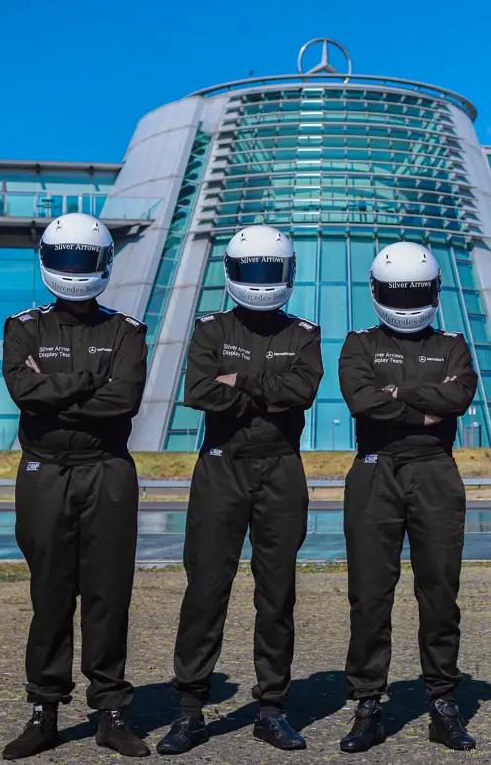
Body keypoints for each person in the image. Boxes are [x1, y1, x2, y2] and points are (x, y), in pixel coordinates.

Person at [157, 225, 323, 755]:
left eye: (269, 272)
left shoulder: (304, 332)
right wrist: (263, 391)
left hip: (281, 468)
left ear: (288, 274)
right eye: (251, 271)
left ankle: (271, 709)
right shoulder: (210, 328)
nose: (260, 281)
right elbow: (198, 392)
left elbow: (303, 394)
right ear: (232, 272)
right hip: (220, 467)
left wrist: (239, 384)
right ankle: (190, 711)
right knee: (206, 590)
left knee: (276, 596)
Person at [0, 213, 150, 760]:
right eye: (64, 259)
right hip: (43, 472)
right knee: (50, 594)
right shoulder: (23, 326)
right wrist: (92, 381)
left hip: (108, 470)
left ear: (105, 264)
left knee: (109, 595)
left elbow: (124, 401)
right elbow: (24, 392)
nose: (73, 270)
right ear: (45, 260)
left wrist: (56, 389)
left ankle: (110, 711)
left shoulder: (126, 330)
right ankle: (44, 711)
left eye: (83, 261)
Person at [335, 242, 480, 754]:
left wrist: (395, 396)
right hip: (374, 470)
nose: (408, 300)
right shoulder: (359, 343)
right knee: (370, 593)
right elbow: (361, 403)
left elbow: (459, 397)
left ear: (434, 291)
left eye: (416, 291)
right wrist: (424, 406)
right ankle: (368, 703)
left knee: (439, 593)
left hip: (436, 471)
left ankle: (442, 701)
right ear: (377, 291)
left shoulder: (454, 344)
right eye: (400, 292)